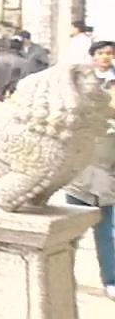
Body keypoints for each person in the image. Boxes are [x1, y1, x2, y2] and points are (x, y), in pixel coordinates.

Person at [65, 47, 115, 301]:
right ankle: (64, 275)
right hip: (79, 180)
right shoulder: (81, 109)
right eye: (101, 53)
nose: (105, 57)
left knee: (106, 233)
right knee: (72, 233)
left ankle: (111, 280)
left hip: (106, 183)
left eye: (110, 53)